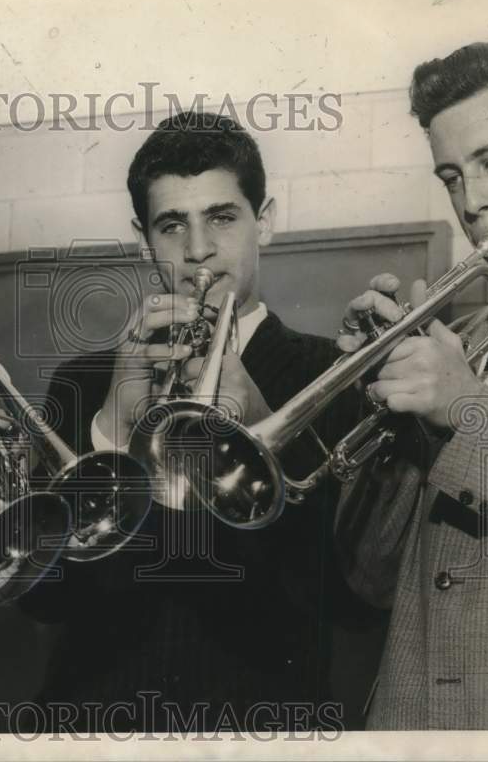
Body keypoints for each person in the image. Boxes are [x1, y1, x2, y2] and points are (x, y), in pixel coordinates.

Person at [23, 111, 380, 733]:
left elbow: (353, 601)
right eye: (172, 225)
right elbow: (39, 595)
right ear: (144, 240)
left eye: (221, 217)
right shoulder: (82, 382)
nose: (198, 251)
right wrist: (110, 431)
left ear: (263, 221)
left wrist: (268, 430)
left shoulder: (334, 374)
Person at [334, 36, 488, 729]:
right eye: (450, 176)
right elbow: (369, 578)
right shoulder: (464, 337)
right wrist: (388, 405)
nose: (471, 202)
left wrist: (466, 408)